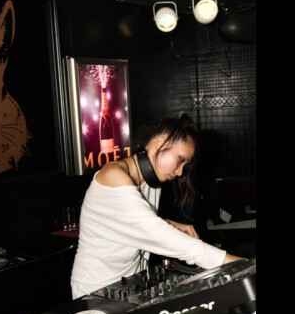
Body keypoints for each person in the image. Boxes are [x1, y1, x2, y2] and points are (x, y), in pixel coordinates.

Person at [70, 114, 243, 299]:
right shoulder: (113, 176)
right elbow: (159, 235)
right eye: (180, 159)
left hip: (128, 288)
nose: (180, 172)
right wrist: (238, 265)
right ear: (161, 142)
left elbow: (133, 223)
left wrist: (170, 224)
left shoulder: (150, 182)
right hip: (95, 293)